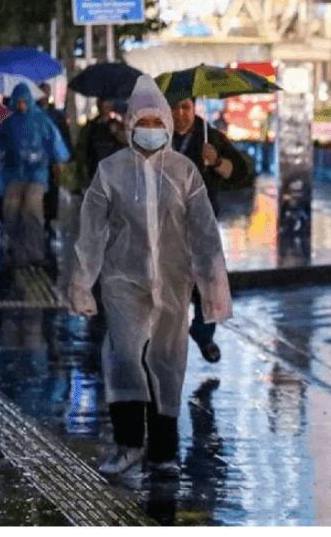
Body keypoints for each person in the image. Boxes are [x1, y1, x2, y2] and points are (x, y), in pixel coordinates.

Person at [67, 74, 232, 476]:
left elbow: (205, 232)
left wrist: (213, 286)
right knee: (125, 357)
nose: (152, 131)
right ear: (130, 124)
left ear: (169, 127)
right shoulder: (110, 171)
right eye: (145, 123)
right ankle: (127, 444)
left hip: (174, 281)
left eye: (159, 124)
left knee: (168, 363)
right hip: (123, 280)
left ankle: (163, 452)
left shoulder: (184, 172)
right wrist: (81, 282)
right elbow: (91, 230)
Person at [168, 94, 250, 364]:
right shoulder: (157, 135)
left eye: (185, 107)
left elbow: (239, 173)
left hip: (202, 222)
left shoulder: (210, 137)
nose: (180, 113)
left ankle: (203, 335)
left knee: (209, 283)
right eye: (174, 107)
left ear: (193, 108)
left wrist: (215, 162)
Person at [0, 83, 70, 268]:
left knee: (32, 211)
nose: (21, 105)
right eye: (18, 102)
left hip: (36, 174)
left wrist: (58, 163)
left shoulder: (40, 120)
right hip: (13, 174)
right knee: (11, 212)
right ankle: (17, 250)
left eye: (23, 101)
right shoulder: (8, 122)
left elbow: (54, 141)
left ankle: (35, 253)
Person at [37, 83, 72, 238]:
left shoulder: (56, 114)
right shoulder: (35, 113)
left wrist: (64, 156)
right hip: (38, 160)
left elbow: (64, 135)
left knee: (52, 190)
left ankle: (49, 221)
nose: (45, 95)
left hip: (52, 160)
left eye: (47, 92)